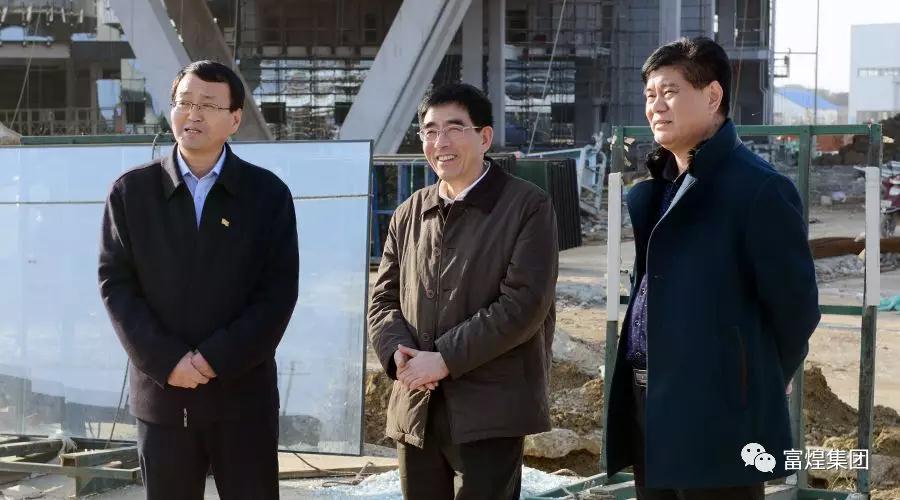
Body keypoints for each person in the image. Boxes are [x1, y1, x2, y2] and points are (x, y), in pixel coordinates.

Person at [604, 37, 821, 500]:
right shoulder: (660, 187)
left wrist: (751, 378)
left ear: (713, 95)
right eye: (649, 95)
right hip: (648, 404)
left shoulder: (758, 189)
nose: (655, 106)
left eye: (670, 92)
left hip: (719, 413)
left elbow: (796, 308)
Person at [98, 60, 298, 500]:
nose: (193, 114)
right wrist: (168, 361)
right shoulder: (131, 192)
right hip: (163, 399)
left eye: (208, 105)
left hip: (242, 399)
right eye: (184, 102)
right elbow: (116, 286)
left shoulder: (267, 195)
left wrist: (213, 359)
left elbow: (278, 294)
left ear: (235, 119)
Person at [368, 83, 559, 499]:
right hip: (416, 405)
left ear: (484, 137)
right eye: (430, 130)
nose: (441, 142)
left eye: (454, 128)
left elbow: (523, 304)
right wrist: (399, 355)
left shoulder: (527, 206)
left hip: (491, 408)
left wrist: (445, 359)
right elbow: (383, 300)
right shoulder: (409, 213)